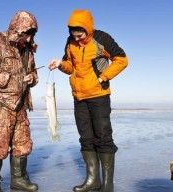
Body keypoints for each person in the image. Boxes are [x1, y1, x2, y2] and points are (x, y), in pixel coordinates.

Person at [48, 10, 128, 192]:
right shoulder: (70, 42)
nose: (76, 38)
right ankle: (93, 180)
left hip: (99, 96)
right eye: (73, 35)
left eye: (80, 35)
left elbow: (122, 60)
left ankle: (107, 185)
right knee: (86, 138)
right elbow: (70, 67)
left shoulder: (101, 38)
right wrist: (60, 64)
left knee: (103, 138)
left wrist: (104, 77)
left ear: (87, 28)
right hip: (79, 97)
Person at [0, 11, 39, 192]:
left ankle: (18, 179)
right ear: (17, 29)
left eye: (31, 35)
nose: (28, 39)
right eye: (25, 34)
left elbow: (34, 73)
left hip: (20, 104)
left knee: (23, 144)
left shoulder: (27, 50)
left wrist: (32, 78)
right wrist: (13, 80)